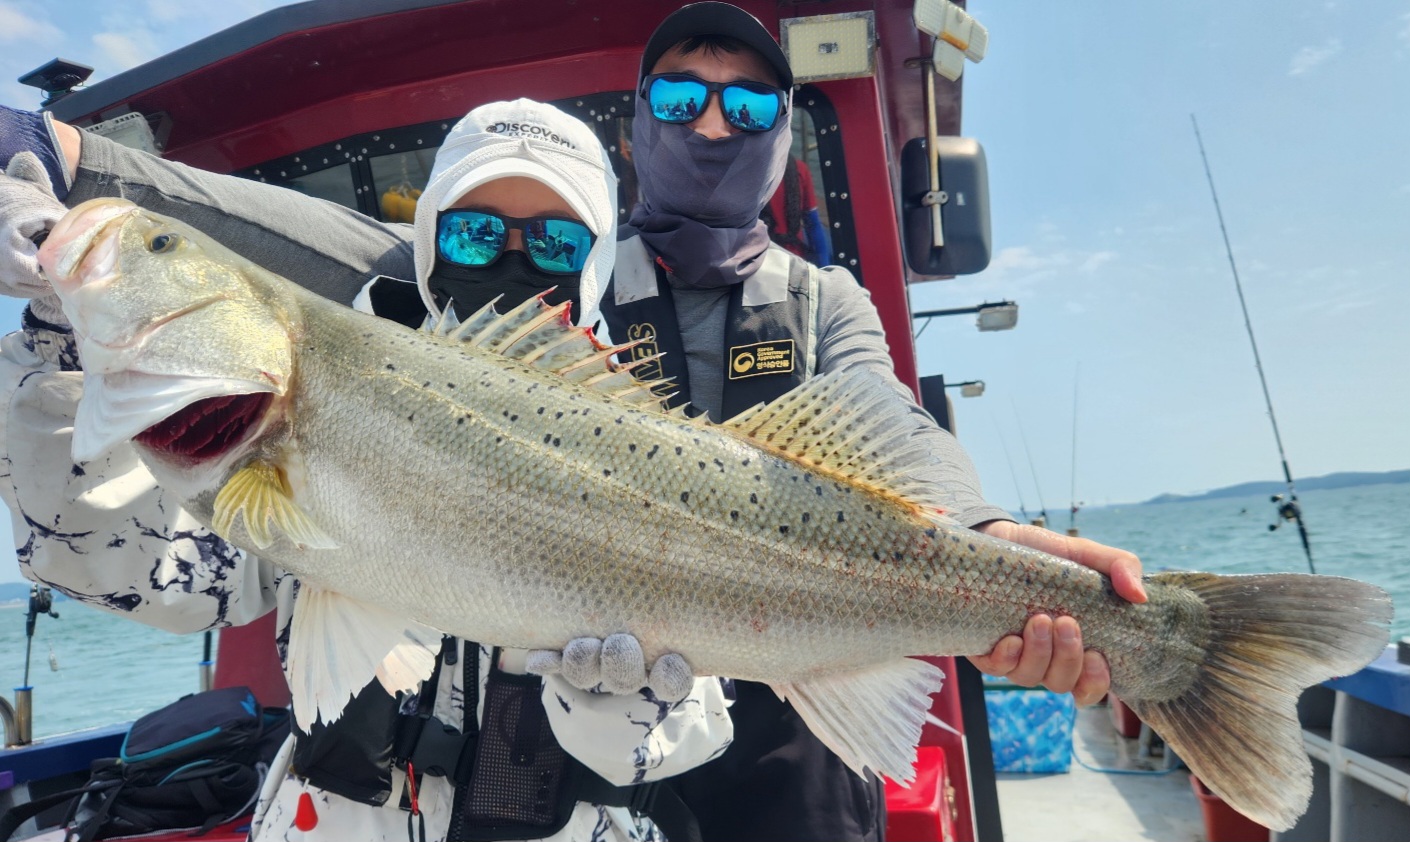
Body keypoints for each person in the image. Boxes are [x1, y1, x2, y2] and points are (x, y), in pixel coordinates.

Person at [0, 2, 1145, 832]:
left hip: (755, 726)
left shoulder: (820, 300)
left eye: (553, 242)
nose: (712, 126)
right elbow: (149, 546)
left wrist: (990, 546)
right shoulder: (374, 341)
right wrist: (60, 257)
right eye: (469, 232)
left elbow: (889, 437)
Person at [0, 99, 732, 842]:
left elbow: (700, 730)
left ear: (595, 258)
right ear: (430, 240)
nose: (512, 259)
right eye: (474, 233)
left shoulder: (646, 440)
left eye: (555, 240)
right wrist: (59, 341)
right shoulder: (307, 401)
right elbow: (139, 574)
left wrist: (622, 710)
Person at [600, 4, 1148, 839]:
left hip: (803, 723)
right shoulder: (571, 284)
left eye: (746, 105)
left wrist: (982, 530)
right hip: (596, 722)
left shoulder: (826, 299)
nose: (712, 125)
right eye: (680, 97)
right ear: (639, 118)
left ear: (779, 133)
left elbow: (889, 418)